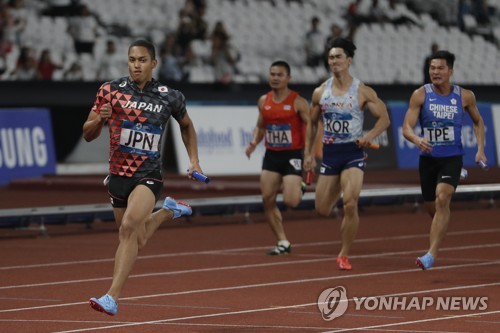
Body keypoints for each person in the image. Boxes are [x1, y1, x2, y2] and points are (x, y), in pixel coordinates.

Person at [83, 39, 203, 315]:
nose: (136, 65)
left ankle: (111, 297)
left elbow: (186, 126)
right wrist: (100, 120)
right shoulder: (110, 90)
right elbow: (87, 134)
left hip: (147, 175)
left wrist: (194, 160)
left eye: (142, 60)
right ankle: (167, 212)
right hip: (117, 176)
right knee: (136, 239)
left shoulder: (169, 96)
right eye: (132, 60)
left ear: (153, 63)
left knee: (127, 229)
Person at [308, 38, 390, 270]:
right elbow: (312, 124)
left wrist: (370, 135)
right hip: (331, 154)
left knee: (350, 203)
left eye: (338, 57)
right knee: (322, 209)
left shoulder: (362, 91)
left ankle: (343, 254)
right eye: (331, 57)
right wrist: (308, 154)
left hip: (353, 152)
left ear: (349, 60)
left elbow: (384, 119)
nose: (334, 61)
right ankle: (337, 190)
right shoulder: (320, 92)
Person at [403, 50, 486, 270]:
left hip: (452, 157)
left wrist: (480, 150)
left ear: (450, 71)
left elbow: (478, 123)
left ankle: (430, 255)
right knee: (434, 208)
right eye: (432, 68)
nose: (435, 72)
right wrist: (416, 139)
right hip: (428, 160)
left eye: (440, 68)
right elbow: (406, 127)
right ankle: (442, 220)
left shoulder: (464, 96)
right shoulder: (420, 95)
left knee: (442, 198)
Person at [245, 60, 313, 256]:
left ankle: (299, 186)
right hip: (272, 155)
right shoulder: (263, 101)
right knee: (267, 199)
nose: (275, 78)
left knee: (292, 202)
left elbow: (310, 128)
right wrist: (253, 143)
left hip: (292, 155)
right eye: (272, 74)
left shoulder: (298, 102)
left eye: (279, 75)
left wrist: (309, 154)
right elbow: (261, 125)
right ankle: (283, 241)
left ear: (288, 78)